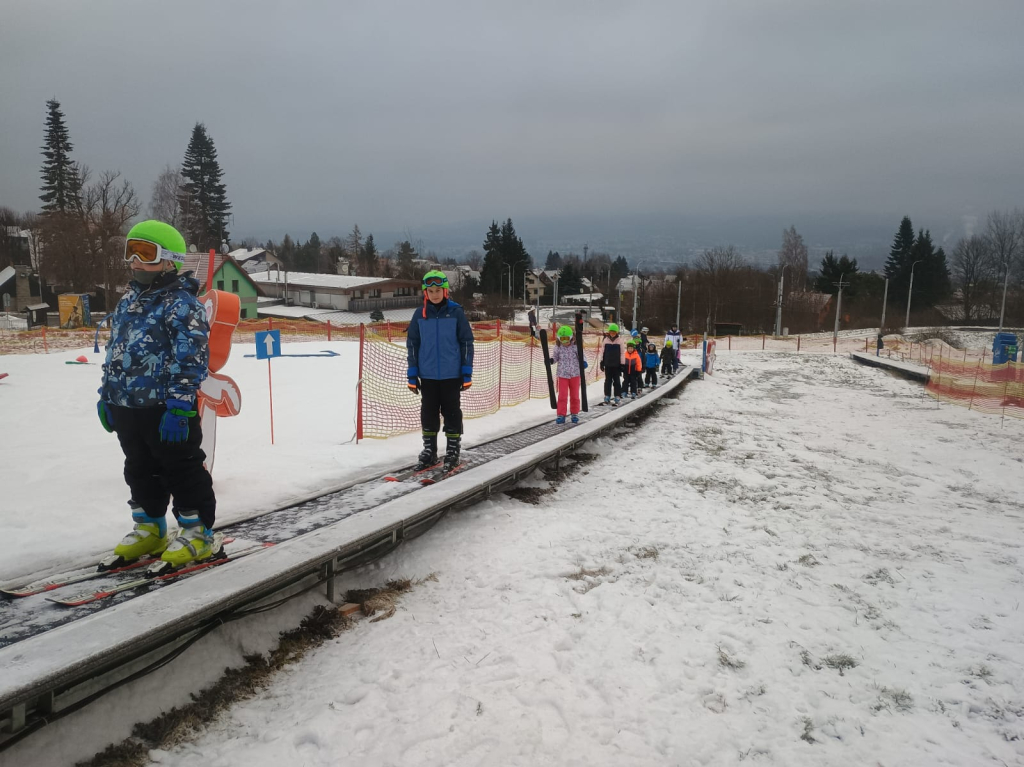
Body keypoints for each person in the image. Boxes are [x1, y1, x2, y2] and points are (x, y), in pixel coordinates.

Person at [97, 220, 217, 568]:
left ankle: (198, 532)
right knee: (138, 467)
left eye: (146, 253)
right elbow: (115, 351)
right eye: (130, 251)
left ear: (170, 260)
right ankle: (150, 527)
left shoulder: (182, 305)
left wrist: (180, 406)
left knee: (181, 469)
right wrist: (106, 394)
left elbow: (191, 358)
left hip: (165, 408)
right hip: (127, 405)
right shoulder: (128, 302)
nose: (135, 260)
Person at [407, 270, 475, 472]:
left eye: (438, 290)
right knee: (428, 412)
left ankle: (453, 451)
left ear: (445, 291)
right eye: (431, 290)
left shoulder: (456, 312)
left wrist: (466, 372)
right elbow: (412, 344)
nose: (434, 294)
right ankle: (429, 451)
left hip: (451, 375)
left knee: (452, 412)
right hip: (427, 375)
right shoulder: (420, 314)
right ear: (425, 292)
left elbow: (466, 343)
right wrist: (412, 374)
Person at [549, 324, 586, 424]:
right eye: (562, 339)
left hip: (575, 374)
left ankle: (574, 413)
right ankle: (561, 414)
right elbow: (555, 357)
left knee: (574, 395)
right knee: (562, 395)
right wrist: (551, 360)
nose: (564, 341)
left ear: (571, 337)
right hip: (562, 375)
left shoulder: (575, 346)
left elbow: (582, 355)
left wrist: (583, 361)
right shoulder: (558, 347)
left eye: (566, 338)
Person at [599, 322, 625, 405]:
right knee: (608, 381)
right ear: (609, 332)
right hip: (608, 364)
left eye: (614, 332)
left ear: (617, 333)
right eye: (611, 332)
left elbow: (622, 353)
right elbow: (602, 352)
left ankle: (617, 395)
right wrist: (601, 362)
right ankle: (607, 395)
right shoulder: (605, 340)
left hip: (616, 365)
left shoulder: (620, 341)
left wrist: (622, 364)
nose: (612, 334)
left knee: (617, 381)